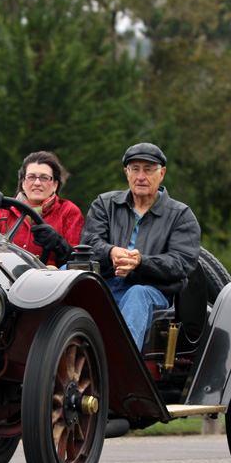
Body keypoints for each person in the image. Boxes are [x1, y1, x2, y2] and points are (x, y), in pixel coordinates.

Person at [79, 142, 201, 348]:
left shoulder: (181, 215)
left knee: (137, 294)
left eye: (148, 169)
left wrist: (141, 262)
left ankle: (120, 369)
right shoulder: (104, 204)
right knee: (67, 275)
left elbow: (183, 263)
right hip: (105, 282)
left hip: (153, 289)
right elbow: (89, 243)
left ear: (161, 174)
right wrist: (111, 252)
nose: (141, 176)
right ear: (127, 173)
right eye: (135, 169)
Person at [0, 151, 84, 267]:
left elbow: (77, 263)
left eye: (44, 178)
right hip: (3, 277)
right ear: (22, 182)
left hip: (49, 280)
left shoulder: (68, 212)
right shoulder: (2, 210)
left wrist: (59, 244)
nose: (37, 183)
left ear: (55, 185)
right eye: (31, 177)